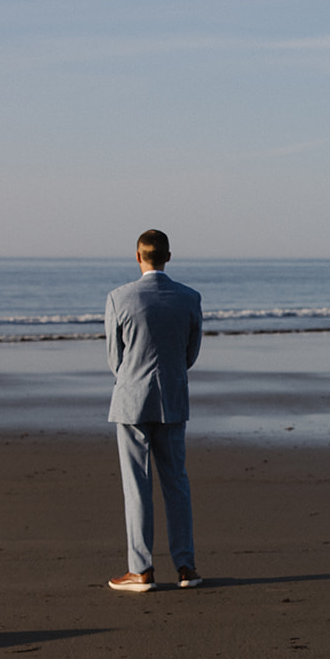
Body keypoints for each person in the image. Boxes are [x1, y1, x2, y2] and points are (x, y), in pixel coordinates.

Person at [105, 229, 204, 592]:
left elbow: (115, 358)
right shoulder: (189, 298)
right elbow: (190, 354)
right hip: (173, 397)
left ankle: (141, 568)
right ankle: (186, 566)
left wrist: (132, 377)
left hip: (131, 399)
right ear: (168, 256)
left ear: (137, 257)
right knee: (176, 483)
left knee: (138, 486)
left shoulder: (119, 298)